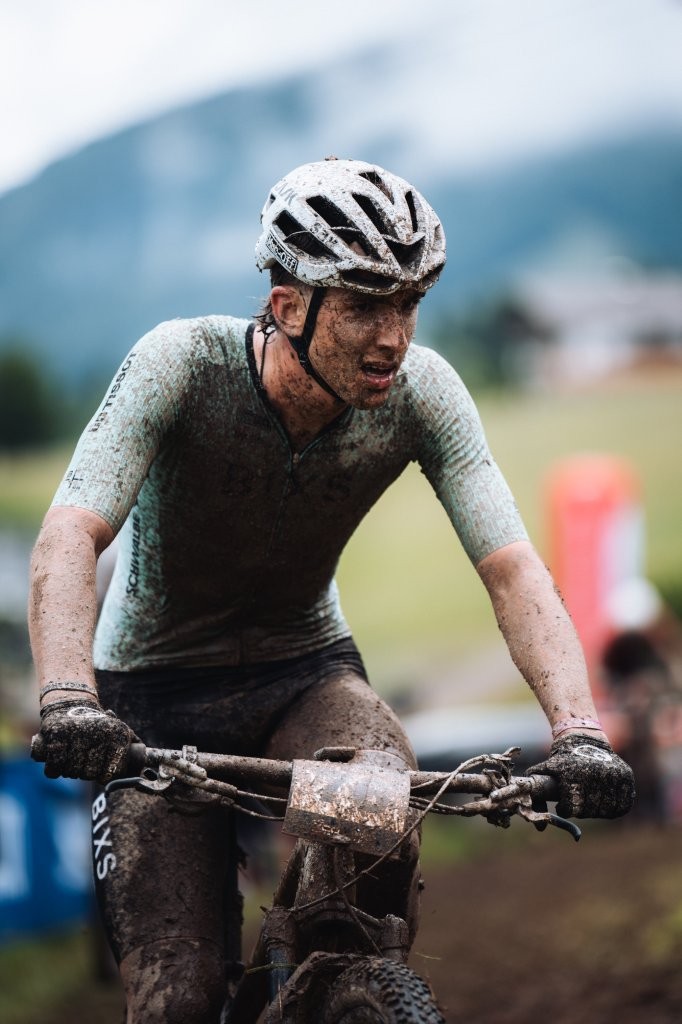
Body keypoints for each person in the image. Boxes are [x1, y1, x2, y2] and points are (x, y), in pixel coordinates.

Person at [28, 157, 634, 1023]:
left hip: (305, 675)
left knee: (380, 808)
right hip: (148, 697)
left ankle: (328, 988)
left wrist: (578, 734)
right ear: (287, 306)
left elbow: (512, 569)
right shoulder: (179, 365)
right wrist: (66, 700)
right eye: (362, 305)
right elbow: (71, 534)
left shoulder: (423, 393)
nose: (394, 337)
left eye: (410, 303)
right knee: (180, 999)